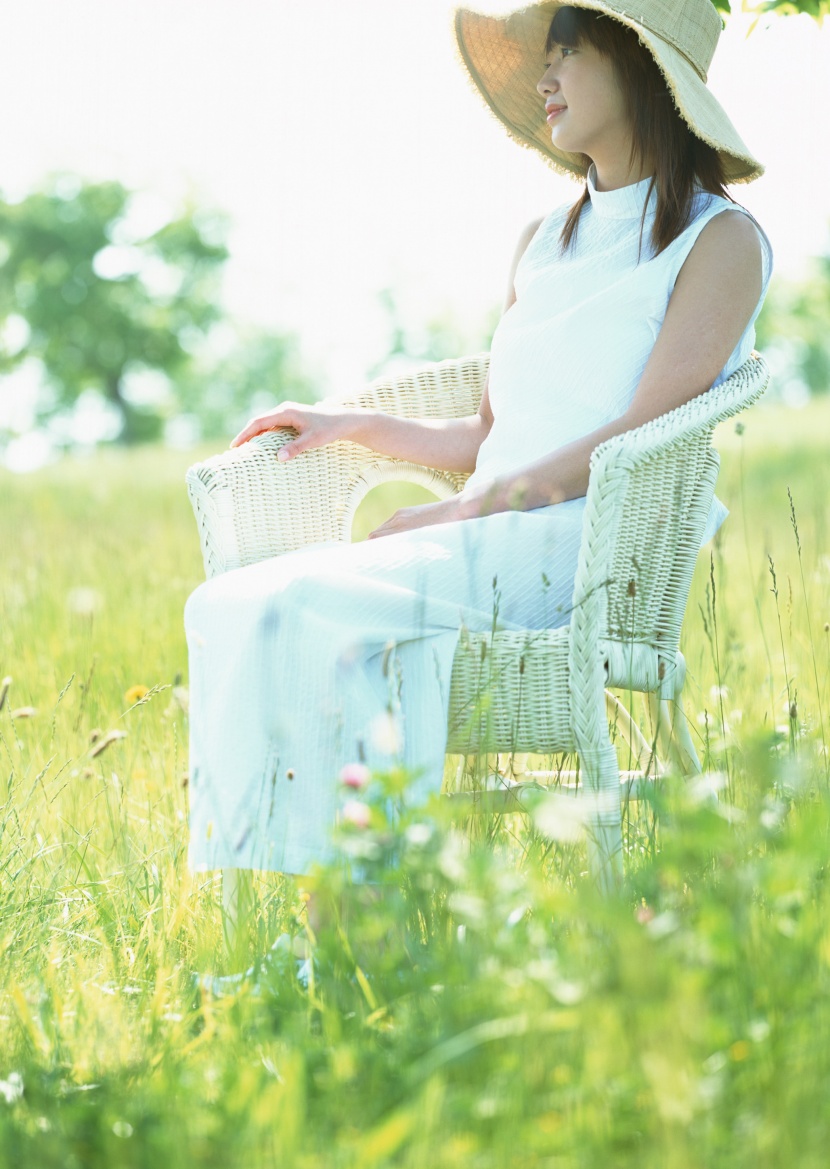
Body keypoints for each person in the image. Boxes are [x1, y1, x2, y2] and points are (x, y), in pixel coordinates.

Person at [184, 0, 772, 967]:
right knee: (235, 605)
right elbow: (497, 435)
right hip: (491, 534)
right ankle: (342, 926)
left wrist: (474, 506)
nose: (545, 80)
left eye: (568, 57)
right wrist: (351, 425)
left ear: (643, 72)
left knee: (319, 611)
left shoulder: (719, 242)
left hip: (585, 549)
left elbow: (639, 433)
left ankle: (352, 932)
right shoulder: (545, 239)